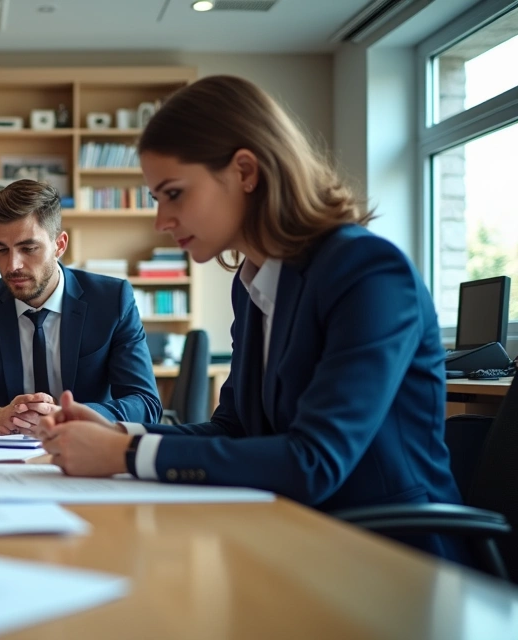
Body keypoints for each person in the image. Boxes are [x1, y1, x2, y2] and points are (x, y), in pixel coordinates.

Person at [38, 75, 463, 560]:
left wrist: (125, 455)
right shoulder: (254, 284)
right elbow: (234, 428)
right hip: (295, 536)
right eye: (157, 199)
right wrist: (119, 433)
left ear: (245, 171)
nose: (161, 221)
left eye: (173, 194)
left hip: (394, 554)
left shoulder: (366, 271)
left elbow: (314, 460)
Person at [0, 179, 162, 434]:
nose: (12, 265)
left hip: (89, 449)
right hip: (7, 458)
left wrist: (71, 417)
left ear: (59, 245)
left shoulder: (111, 300)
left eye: (28, 248)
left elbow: (145, 404)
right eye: (1, 249)